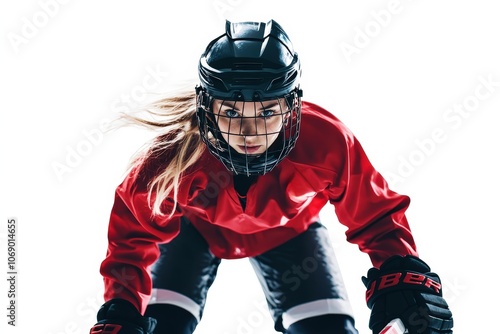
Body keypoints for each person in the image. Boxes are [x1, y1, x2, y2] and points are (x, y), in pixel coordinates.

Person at [89, 20, 453, 334]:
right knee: (156, 325)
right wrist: (121, 307)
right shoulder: (170, 158)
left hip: (290, 234)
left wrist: (400, 269)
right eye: (231, 111)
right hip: (192, 232)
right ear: (206, 109)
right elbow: (131, 236)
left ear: (291, 105)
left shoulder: (326, 142)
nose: (250, 132)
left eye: (266, 112)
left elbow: (375, 216)